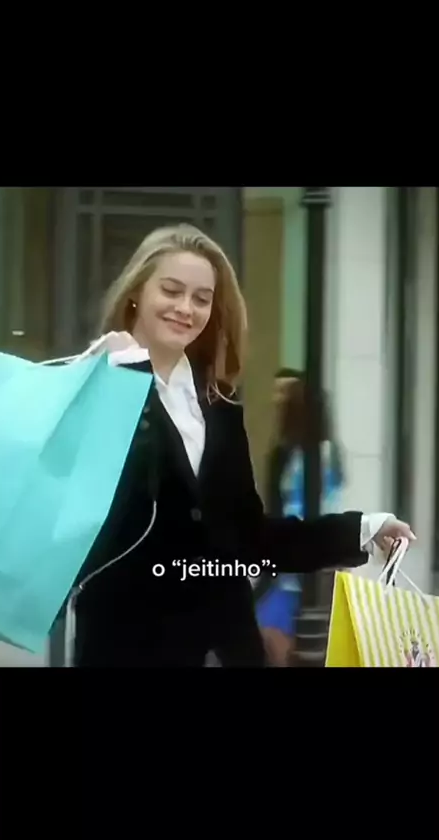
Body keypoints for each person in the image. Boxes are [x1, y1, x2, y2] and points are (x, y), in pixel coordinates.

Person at [68, 223, 415, 667]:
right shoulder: (94, 386)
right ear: (136, 292)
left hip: (228, 651)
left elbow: (249, 537)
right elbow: (100, 523)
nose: (185, 308)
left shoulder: (218, 405)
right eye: (171, 291)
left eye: (202, 298)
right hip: (126, 649)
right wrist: (129, 370)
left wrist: (361, 529)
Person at [256, 370, 344, 666]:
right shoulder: (308, 452)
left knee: (279, 629)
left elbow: (309, 504)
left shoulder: (315, 455)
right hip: (300, 558)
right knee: (277, 627)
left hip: (302, 558)